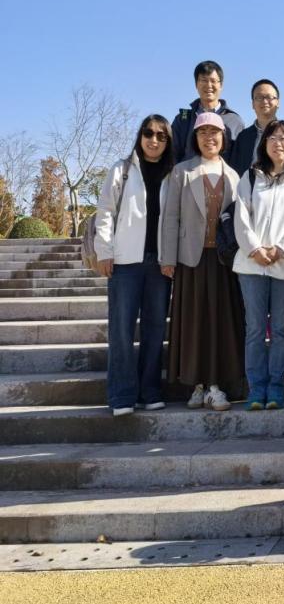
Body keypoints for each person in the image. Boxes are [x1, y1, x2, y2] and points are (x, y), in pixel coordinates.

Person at [159, 112, 244, 411]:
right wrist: (168, 257)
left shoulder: (233, 175)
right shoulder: (182, 172)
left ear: (224, 137)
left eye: (215, 132)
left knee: (219, 323)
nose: (210, 138)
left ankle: (216, 386)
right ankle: (195, 384)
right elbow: (170, 217)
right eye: (203, 132)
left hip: (223, 262)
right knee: (193, 323)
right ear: (195, 138)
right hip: (190, 259)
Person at [94, 114, 175, 416]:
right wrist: (105, 251)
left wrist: (171, 258)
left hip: (159, 264)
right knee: (121, 330)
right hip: (125, 262)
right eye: (148, 133)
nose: (154, 140)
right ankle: (122, 395)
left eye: (161, 136)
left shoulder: (173, 174)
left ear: (168, 142)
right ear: (140, 137)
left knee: (155, 329)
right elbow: (105, 211)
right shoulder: (122, 169)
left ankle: (149, 390)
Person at [233, 120, 284, 410]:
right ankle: (256, 389)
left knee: (279, 329)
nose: (278, 143)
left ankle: (276, 387)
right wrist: (255, 248)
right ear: (263, 144)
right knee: (255, 328)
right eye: (273, 138)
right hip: (251, 264)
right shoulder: (251, 177)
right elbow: (241, 215)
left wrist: (280, 249)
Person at [170, 60, 245, 164]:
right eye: (204, 80)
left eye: (213, 81)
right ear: (196, 84)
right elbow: (172, 154)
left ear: (221, 85)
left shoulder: (234, 121)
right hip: (187, 173)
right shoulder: (183, 119)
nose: (209, 85)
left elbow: (239, 159)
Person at [228, 79, 284, 175]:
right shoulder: (243, 137)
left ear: (278, 102)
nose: (265, 101)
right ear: (253, 104)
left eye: (269, 97)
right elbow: (234, 171)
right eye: (259, 98)